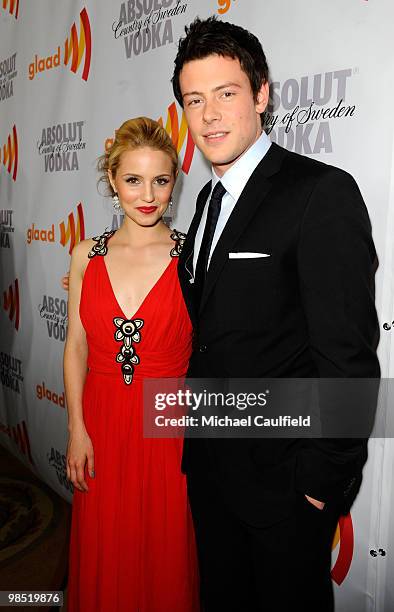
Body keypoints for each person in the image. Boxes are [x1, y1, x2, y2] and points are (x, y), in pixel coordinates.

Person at [171, 16, 380, 612]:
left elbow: (349, 357)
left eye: (226, 93)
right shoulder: (207, 199)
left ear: (262, 94)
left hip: (286, 487)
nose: (209, 115)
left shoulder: (321, 193)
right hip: (212, 471)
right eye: (194, 100)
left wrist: (320, 483)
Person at [64, 117, 199, 612]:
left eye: (161, 180)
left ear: (173, 184)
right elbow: (76, 345)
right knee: (106, 545)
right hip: (100, 421)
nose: (148, 195)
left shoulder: (193, 257)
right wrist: (76, 427)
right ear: (112, 180)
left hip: (169, 426)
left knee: (165, 551)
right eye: (133, 180)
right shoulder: (85, 256)